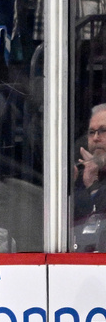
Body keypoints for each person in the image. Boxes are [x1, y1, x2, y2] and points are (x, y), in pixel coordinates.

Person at [73, 103, 106, 250]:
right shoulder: (81, 174)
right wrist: (71, 187)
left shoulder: (90, 178)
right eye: (91, 132)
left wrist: (94, 186)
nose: (96, 138)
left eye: (103, 131)